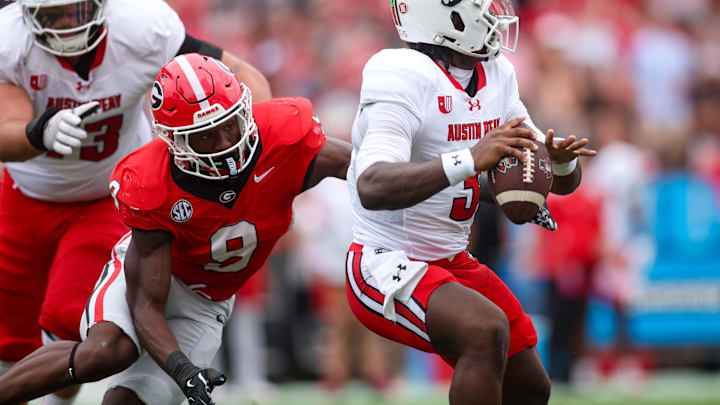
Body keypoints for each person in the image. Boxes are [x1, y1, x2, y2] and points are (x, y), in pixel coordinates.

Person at [0, 53, 350, 405]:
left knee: (126, 402)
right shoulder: (150, 181)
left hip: (205, 303)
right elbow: (145, 305)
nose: (225, 144)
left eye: (230, 124)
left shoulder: (281, 136)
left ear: (244, 110)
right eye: (205, 137)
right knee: (107, 351)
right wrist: (181, 368)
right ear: (174, 141)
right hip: (151, 284)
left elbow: (360, 167)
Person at [0, 1, 270, 403]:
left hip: (108, 195)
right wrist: (38, 133)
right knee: (10, 340)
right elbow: (6, 133)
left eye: (76, 10)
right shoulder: (9, 39)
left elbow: (241, 76)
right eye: (53, 14)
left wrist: (252, 154)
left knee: (67, 321)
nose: (67, 25)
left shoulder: (142, 26)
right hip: (24, 194)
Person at [345, 1, 597, 404]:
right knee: (484, 331)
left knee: (531, 386)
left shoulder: (498, 74)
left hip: (452, 260)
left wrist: (561, 164)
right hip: (384, 260)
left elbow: (550, 178)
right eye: (478, 5)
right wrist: (471, 159)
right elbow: (372, 185)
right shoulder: (399, 73)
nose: (493, 12)